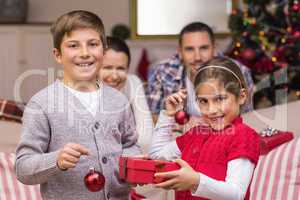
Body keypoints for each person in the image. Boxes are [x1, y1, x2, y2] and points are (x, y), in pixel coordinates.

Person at [15, 10, 140, 200]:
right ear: (58, 55)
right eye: (73, 45)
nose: (84, 53)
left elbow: (130, 145)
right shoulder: (41, 104)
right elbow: (23, 168)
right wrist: (56, 160)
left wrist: (134, 166)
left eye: (93, 44)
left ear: (103, 51)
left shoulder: (119, 100)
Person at [149, 57, 260, 200]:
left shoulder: (243, 135)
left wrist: (196, 181)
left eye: (219, 99)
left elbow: (236, 194)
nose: (211, 110)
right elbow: (157, 156)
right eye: (203, 101)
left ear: (241, 96)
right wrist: (167, 114)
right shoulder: (195, 134)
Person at [147, 22, 254, 123]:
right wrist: (185, 125)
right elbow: (153, 116)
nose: (197, 57)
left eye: (204, 48)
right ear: (180, 51)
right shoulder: (162, 72)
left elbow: (246, 116)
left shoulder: (238, 71)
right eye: (189, 49)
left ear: (214, 48)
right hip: (181, 133)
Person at [98, 36, 153, 152]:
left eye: (121, 68)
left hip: (129, 156)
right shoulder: (86, 89)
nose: (114, 76)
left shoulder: (133, 82)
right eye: (107, 68)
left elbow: (146, 137)